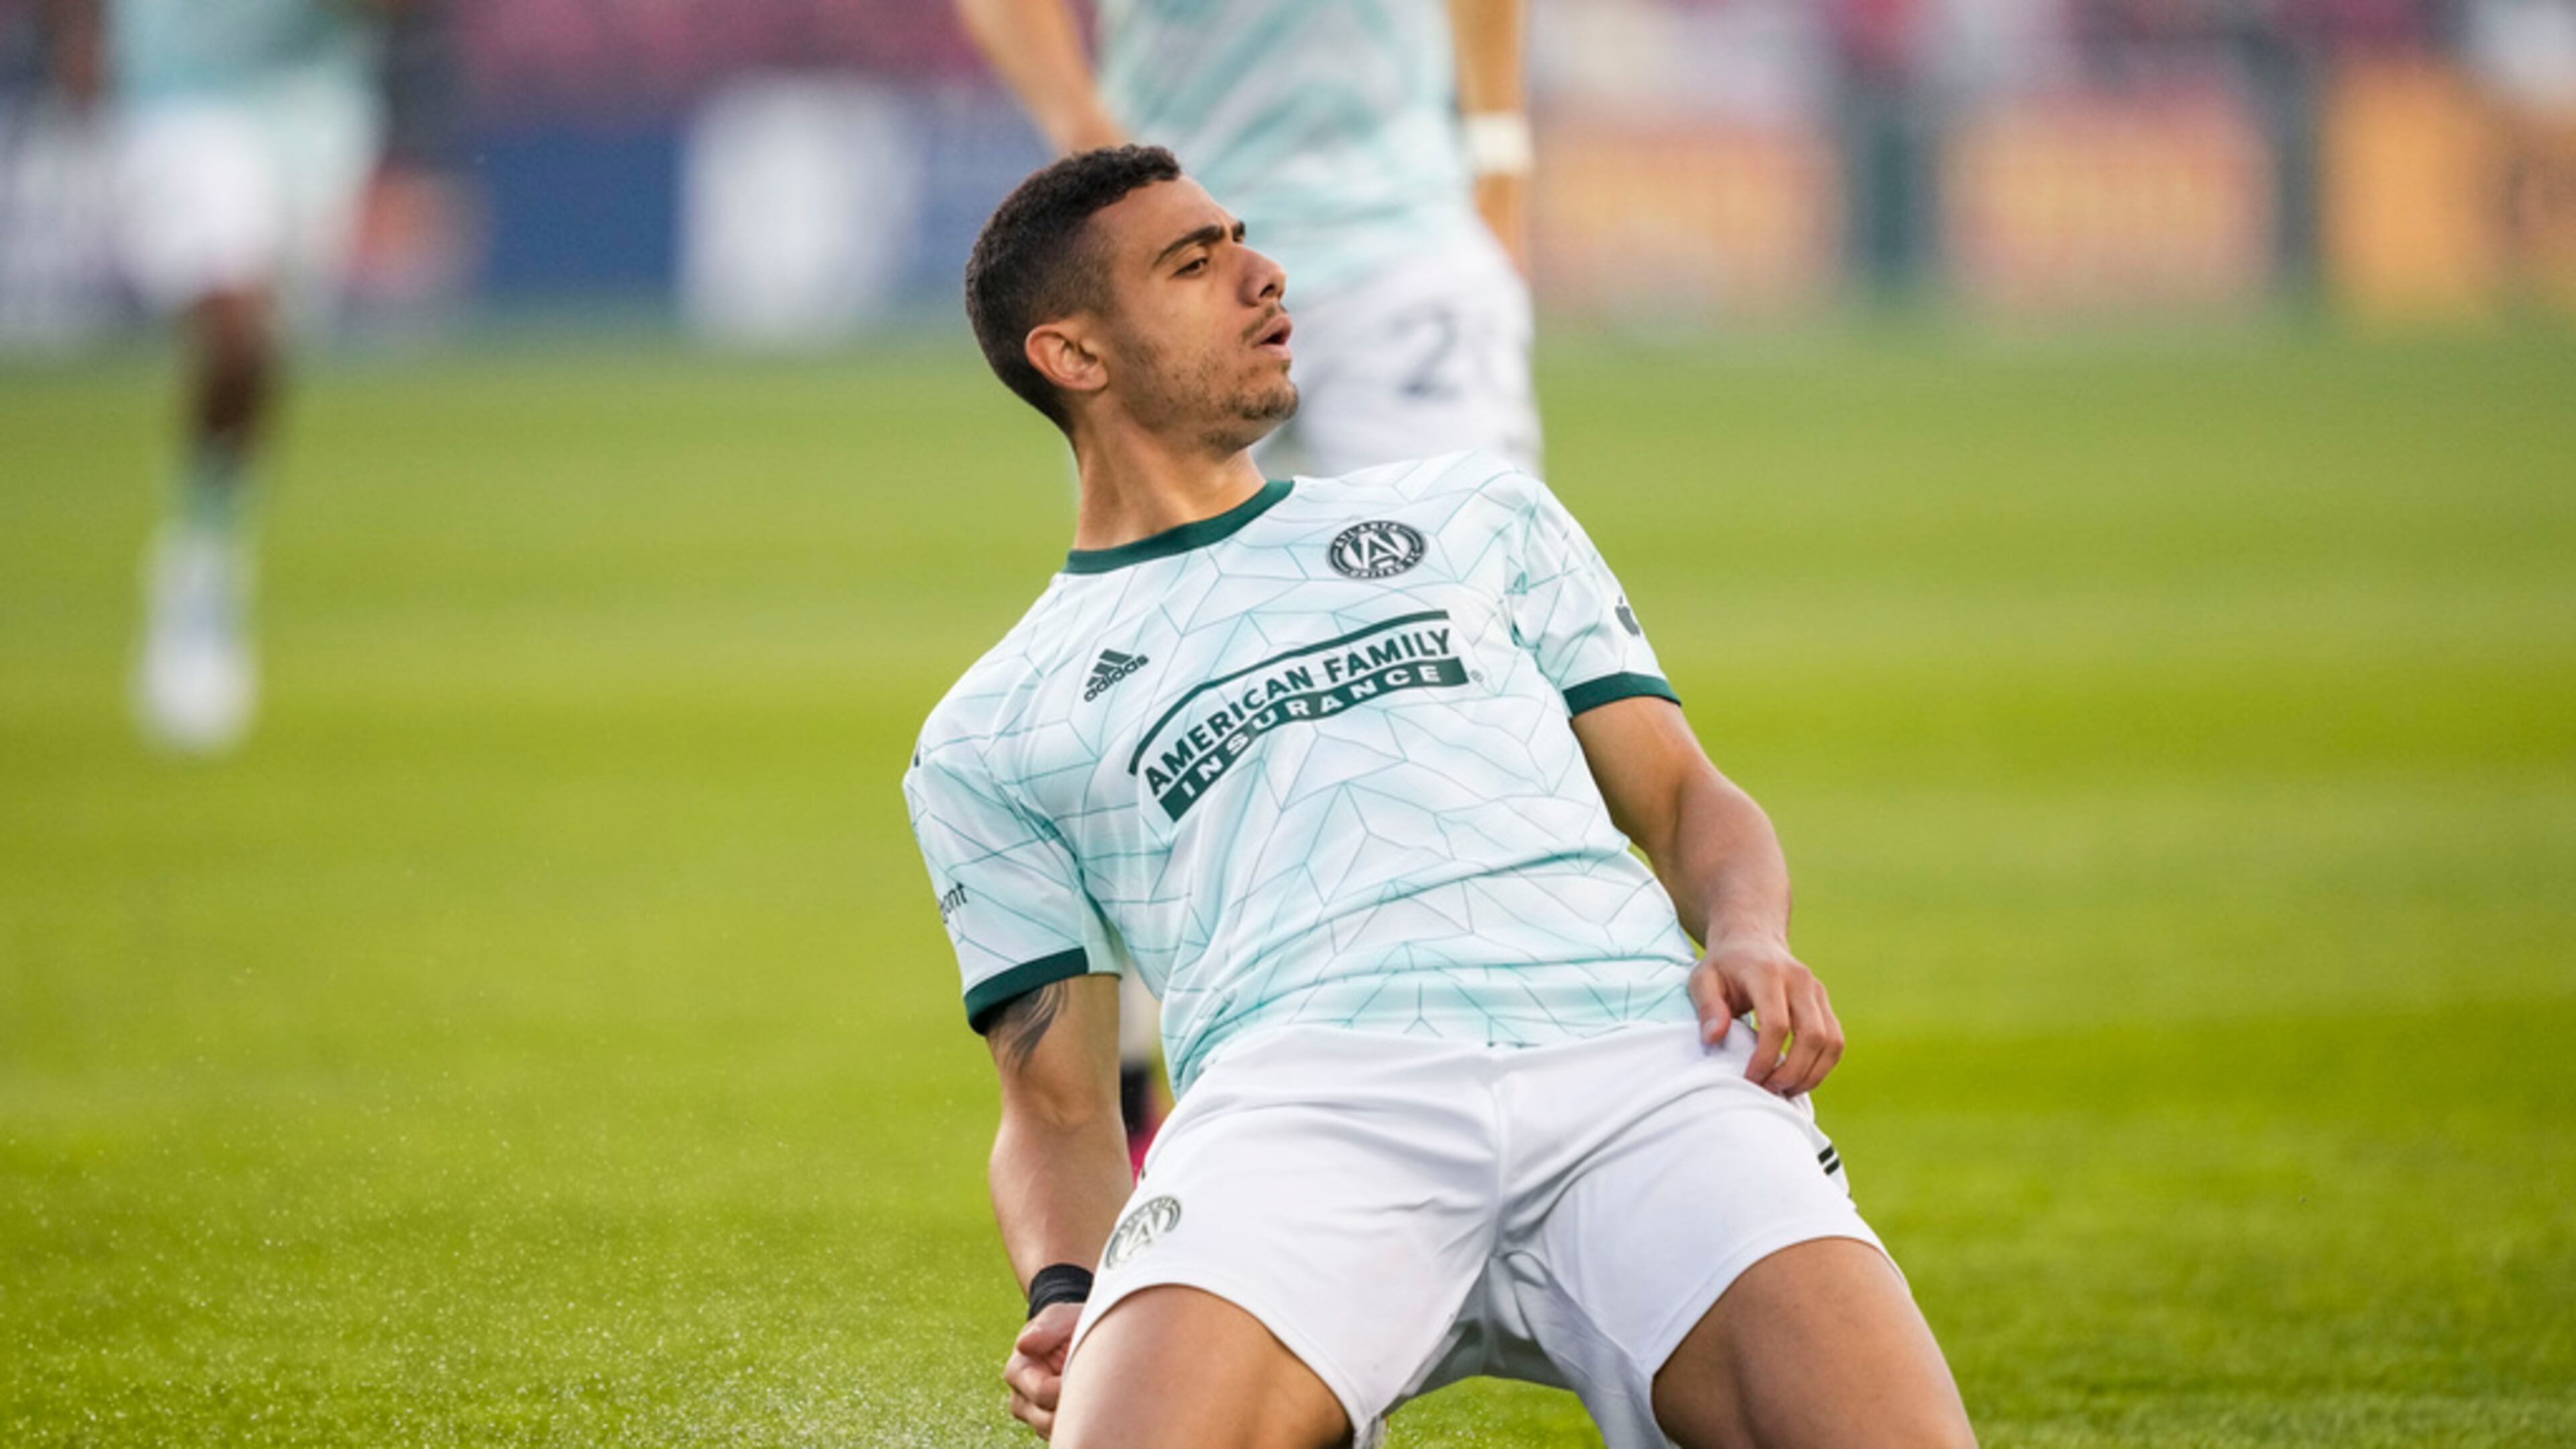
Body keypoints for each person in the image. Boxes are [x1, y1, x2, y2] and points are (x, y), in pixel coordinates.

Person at [904, 145, 1977, 1449]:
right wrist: (1070, 1291)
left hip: (1643, 1064)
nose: (1263, 271)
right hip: (1306, 1105)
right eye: (1194, 263)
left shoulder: (1472, 509)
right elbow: (1058, 1106)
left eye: (1241, 237)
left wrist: (1748, 930)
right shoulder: (993, 725)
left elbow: (1688, 798)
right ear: (1073, 355)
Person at [955, 0, 1542, 1159]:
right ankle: (1135, 1089)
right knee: (1159, 657)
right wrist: (1080, 126)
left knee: (1478, 625)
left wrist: (1501, 153)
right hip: (1170, 262)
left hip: (1404, 250)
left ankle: (1529, 1034)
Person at [48, 0, 394, 753]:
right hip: (178, 98)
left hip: (311, 106)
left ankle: (211, 529)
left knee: (263, 352)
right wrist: (77, 34)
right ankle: (199, 585)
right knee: (234, 322)